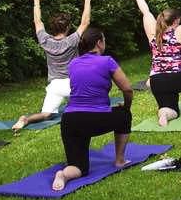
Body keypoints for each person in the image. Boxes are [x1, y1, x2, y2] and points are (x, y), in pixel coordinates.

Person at [53, 27, 134, 191]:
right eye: (104, 40)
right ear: (99, 43)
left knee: (79, 168)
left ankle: (63, 174)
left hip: (70, 120)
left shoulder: (73, 63)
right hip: (94, 119)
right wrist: (126, 107)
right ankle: (119, 160)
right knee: (124, 115)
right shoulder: (107, 61)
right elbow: (127, 89)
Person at [12, 0, 94, 132]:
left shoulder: (45, 40)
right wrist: (87, 0)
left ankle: (26, 119)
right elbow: (85, 22)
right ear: (68, 27)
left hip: (55, 86)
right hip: (73, 85)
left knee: (46, 115)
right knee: (91, 103)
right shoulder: (71, 41)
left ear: (52, 28)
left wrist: (36, 0)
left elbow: (37, 21)